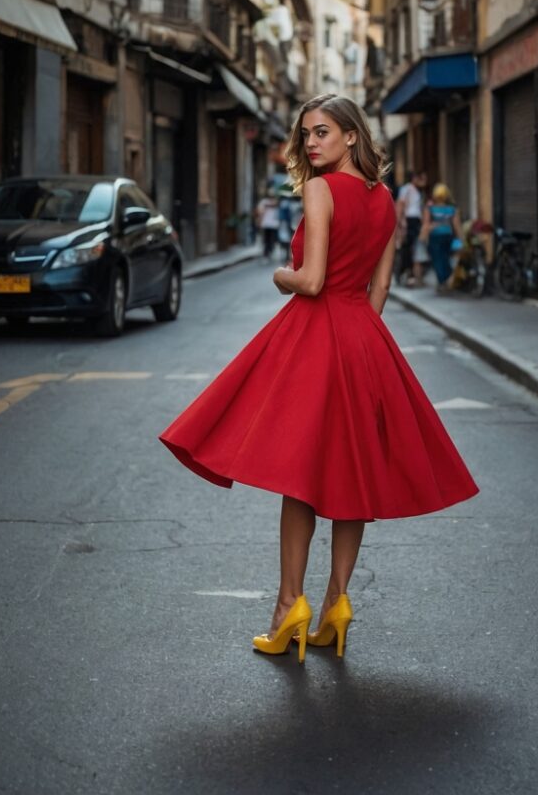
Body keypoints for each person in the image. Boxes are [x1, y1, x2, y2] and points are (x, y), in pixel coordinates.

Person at [159, 96, 478, 663]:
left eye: (322, 132)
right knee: (351, 476)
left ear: (352, 135)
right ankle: (337, 603)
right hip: (363, 340)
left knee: (300, 476)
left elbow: (309, 281)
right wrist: (355, 336)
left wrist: (280, 275)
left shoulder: (321, 190)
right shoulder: (384, 202)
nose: (310, 143)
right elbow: (379, 292)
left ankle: (288, 606)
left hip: (317, 336)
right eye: (305, 133)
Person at [421, 183, 461, 291]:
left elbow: (426, 223)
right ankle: (446, 280)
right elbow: (456, 225)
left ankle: (442, 281)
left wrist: (423, 237)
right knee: (445, 258)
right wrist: (460, 237)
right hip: (447, 236)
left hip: (435, 236)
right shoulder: (451, 209)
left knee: (437, 259)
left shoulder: (430, 208)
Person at [395, 171, 427, 286]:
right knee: (407, 247)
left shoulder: (420, 191)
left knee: (416, 247)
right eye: (420, 179)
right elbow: (400, 205)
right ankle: (405, 272)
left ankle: (413, 273)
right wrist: (402, 222)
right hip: (409, 220)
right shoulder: (406, 189)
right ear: (414, 178)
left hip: (416, 221)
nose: (423, 181)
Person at [255, 188, 280, 260]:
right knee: (267, 239)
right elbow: (260, 212)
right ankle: (267, 252)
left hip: (273, 224)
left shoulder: (275, 202)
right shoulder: (264, 202)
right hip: (267, 224)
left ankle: (270, 251)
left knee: (271, 239)